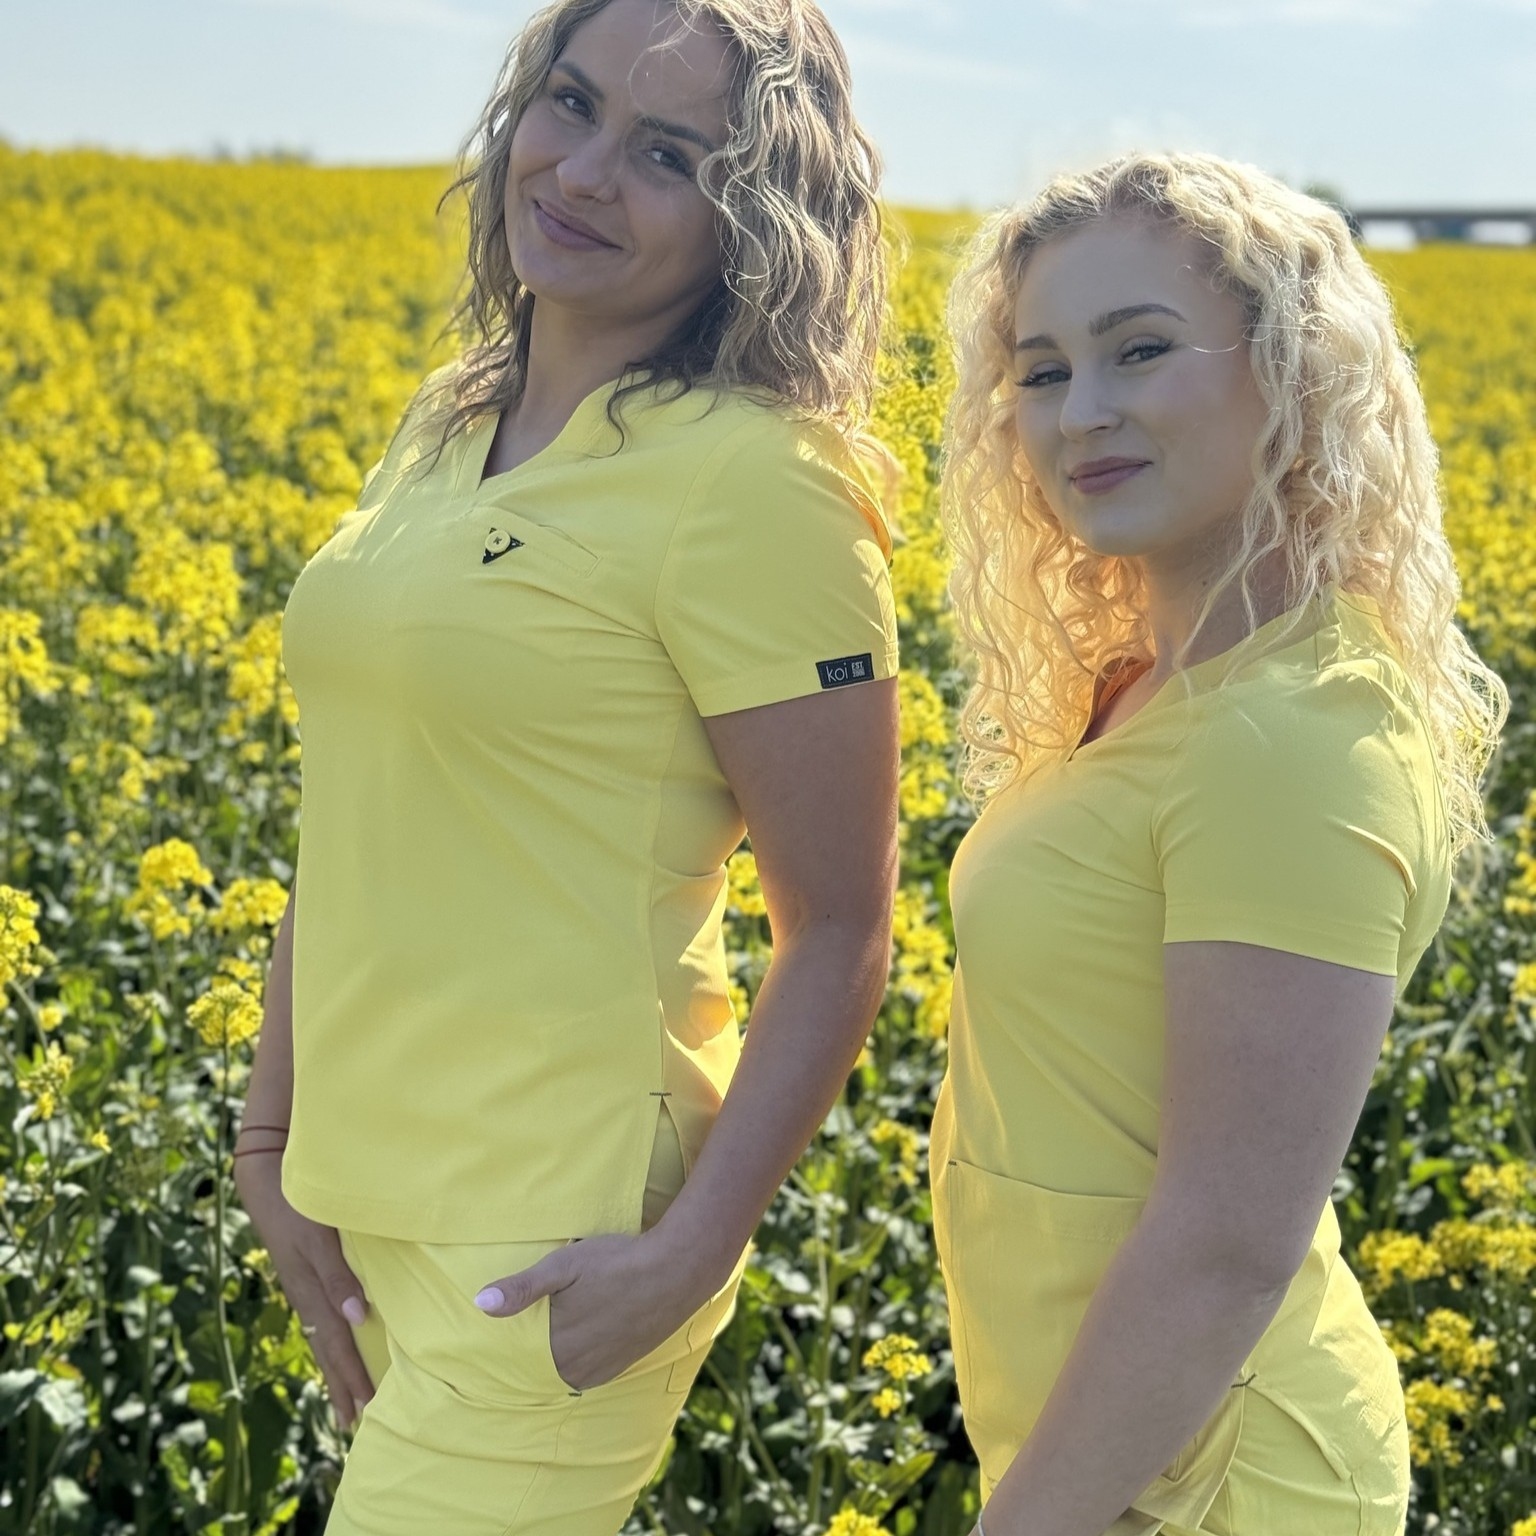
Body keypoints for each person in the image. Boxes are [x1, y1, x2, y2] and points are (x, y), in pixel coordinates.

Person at [233, 1, 901, 1531]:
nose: (586, 171)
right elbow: (365, 802)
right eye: (573, 104)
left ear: (754, 217)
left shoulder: (759, 484)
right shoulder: (448, 424)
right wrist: (272, 1138)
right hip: (364, 1203)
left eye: (668, 154)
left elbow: (843, 925)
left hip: (553, 1247)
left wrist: (691, 1253)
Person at [934, 152, 1506, 1536]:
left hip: (1215, 1482)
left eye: (1139, 350)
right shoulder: (1159, 687)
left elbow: (1227, 1244)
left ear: (1292, 370)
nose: (1083, 411)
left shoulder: (1290, 736)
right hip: (1113, 1457)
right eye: (1043, 370)